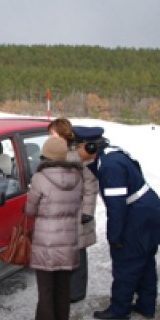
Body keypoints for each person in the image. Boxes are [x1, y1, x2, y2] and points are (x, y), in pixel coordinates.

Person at [73, 126, 160, 320]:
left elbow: (117, 207)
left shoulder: (110, 166)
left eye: (76, 147)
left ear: (89, 147)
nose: (75, 153)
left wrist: (115, 236)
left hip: (136, 219)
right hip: (145, 215)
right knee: (146, 263)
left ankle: (119, 309)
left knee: (126, 265)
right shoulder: (111, 155)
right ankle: (146, 305)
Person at [25, 136, 83, 320]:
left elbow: (30, 209)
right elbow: (78, 205)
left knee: (46, 287)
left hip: (46, 241)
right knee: (63, 284)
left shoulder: (40, 178)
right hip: (68, 238)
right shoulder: (77, 175)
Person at [47, 118, 99, 303]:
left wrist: (87, 211)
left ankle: (76, 292)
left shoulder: (77, 157)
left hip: (77, 213)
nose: (50, 137)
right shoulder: (53, 155)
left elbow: (91, 185)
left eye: (52, 134)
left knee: (78, 252)